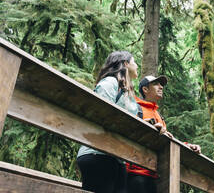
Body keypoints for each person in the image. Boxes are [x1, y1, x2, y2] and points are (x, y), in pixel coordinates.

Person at [76, 51, 142, 193]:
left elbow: (134, 121)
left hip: (117, 158)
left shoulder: (128, 93)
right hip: (97, 154)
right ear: (125, 64)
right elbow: (100, 113)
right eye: (134, 61)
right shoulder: (110, 83)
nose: (137, 65)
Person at [126, 75, 201, 193]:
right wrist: (148, 127)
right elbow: (127, 130)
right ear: (145, 89)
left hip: (156, 177)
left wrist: (187, 146)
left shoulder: (159, 115)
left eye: (161, 85)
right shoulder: (135, 107)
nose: (161, 87)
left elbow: (167, 140)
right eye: (156, 84)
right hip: (136, 174)